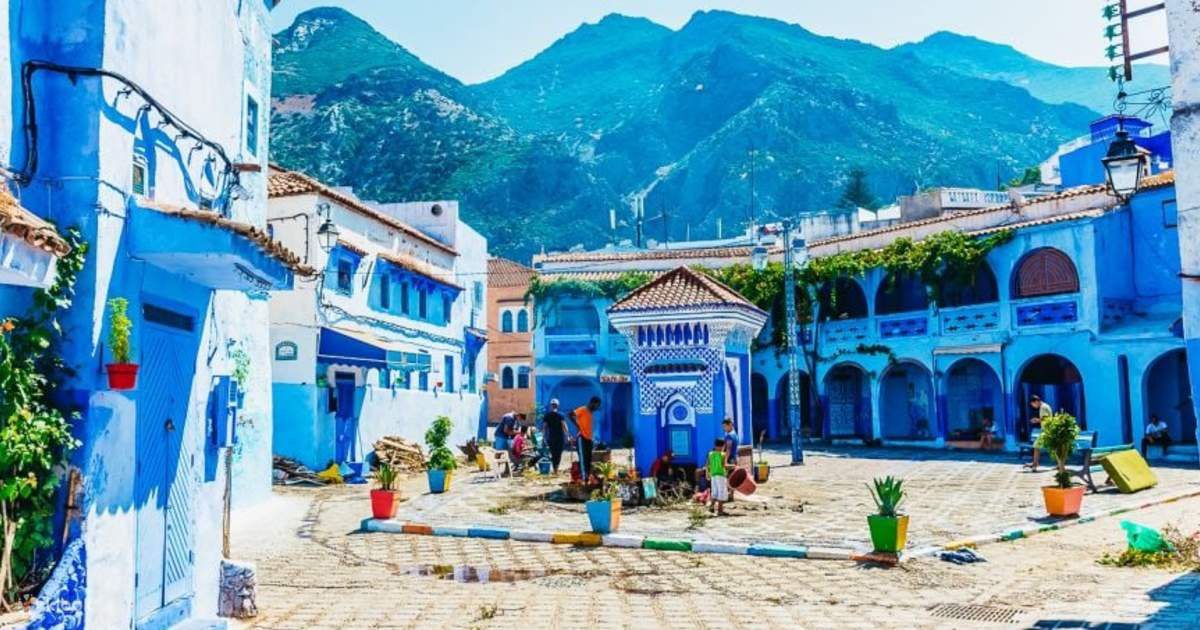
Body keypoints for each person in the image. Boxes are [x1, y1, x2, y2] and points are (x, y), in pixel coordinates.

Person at [570, 396, 601, 481]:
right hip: (582, 438)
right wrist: (578, 426)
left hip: (589, 439)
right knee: (583, 459)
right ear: (592, 403)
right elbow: (570, 414)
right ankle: (584, 479)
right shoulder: (583, 409)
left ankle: (587, 477)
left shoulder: (591, 412)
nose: (597, 408)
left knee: (588, 459)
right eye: (597, 405)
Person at [539, 399, 568, 474]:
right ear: (558, 405)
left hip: (551, 437)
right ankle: (556, 470)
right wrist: (568, 436)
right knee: (558, 453)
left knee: (553, 453)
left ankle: (555, 469)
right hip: (560, 438)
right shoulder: (561, 415)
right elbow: (564, 426)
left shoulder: (547, 415)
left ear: (551, 406)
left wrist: (542, 437)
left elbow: (544, 427)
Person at [1025, 395, 1052, 472]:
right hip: (1046, 430)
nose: (1033, 406)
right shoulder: (1044, 406)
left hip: (1047, 431)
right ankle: (1035, 463)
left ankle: (1035, 464)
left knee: (1036, 446)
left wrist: (1036, 420)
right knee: (1052, 448)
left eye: (1033, 404)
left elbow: (1046, 418)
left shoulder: (1043, 407)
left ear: (1036, 401)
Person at [706, 438, 729, 515]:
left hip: (713, 475)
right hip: (721, 475)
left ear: (715, 445)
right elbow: (724, 465)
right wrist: (734, 466)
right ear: (723, 446)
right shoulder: (723, 454)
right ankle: (720, 510)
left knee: (715, 492)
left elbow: (707, 465)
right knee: (721, 492)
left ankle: (711, 507)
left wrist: (707, 474)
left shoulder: (710, 454)